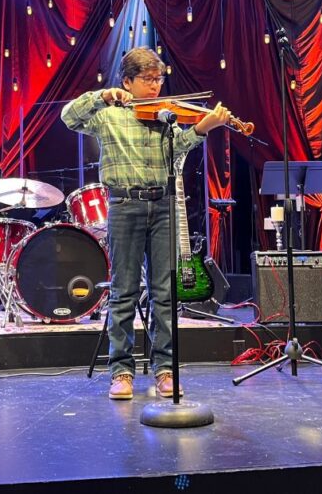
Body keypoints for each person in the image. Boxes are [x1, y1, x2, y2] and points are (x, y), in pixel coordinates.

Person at [61, 47, 231, 399]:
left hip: (163, 205)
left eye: (159, 80)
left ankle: (165, 369)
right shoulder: (106, 114)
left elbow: (178, 150)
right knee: (123, 292)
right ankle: (121, 372)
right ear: (127, 81)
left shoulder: (164, 115)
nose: (155, 87)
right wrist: (101, 95)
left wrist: (202, 128)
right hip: (125, 205)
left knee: (164, 294)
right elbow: (68, 117)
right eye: (148, 80)